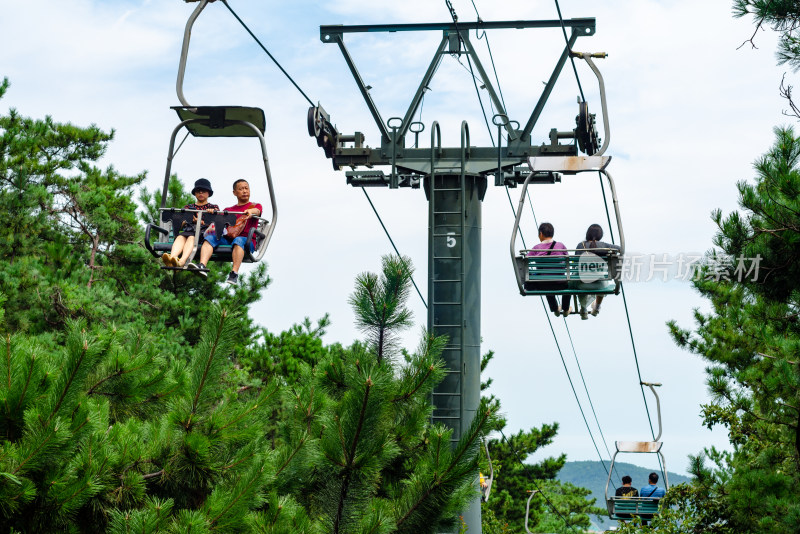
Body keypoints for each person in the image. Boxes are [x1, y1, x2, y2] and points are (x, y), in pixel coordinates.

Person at [197, 178, 263, 285]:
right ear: (235, 193)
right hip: (229, 239)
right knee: (210, 238)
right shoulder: (229, 209)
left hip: (247, 242)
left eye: (246, 188)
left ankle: (234, 273)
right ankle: (202, 265)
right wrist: (210, 213)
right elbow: (217, 222)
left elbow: (257, 211)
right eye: (241, 189)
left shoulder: (255, 206)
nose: (245, 191)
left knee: (238, 240)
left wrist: (250, 211)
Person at [162, 178, 219, 269]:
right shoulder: (188, 207)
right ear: (195, 193)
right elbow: (181, 223)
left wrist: (202, 221)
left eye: (203, 191)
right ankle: (172, 258)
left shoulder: (213, 207)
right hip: (189, 229)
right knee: (181, 236)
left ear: (208, 193)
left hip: (202, 232)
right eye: (198, 191)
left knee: (192, 237)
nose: (201, 193)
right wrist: (186, 220)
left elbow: (216, 224)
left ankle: (182, 261)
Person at [574, 223, 621, 319]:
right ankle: (597, 308)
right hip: (600, 285)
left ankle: (583, 309)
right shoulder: (603, 245)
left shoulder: (580, 245)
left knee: (578, 277)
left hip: (582, 285)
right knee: (602, 278)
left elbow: (575, 262)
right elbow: (621, 249)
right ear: (600, 235)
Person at [527, 222, 571, 316]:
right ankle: (566, 308)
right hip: (561, 284)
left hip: (543, 285)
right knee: (569, 284)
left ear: (541, 234)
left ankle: (555, 309)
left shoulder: (536, 248)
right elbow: (568, 260)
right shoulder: (561, 246)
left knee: (545, 278)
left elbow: (526, 260)